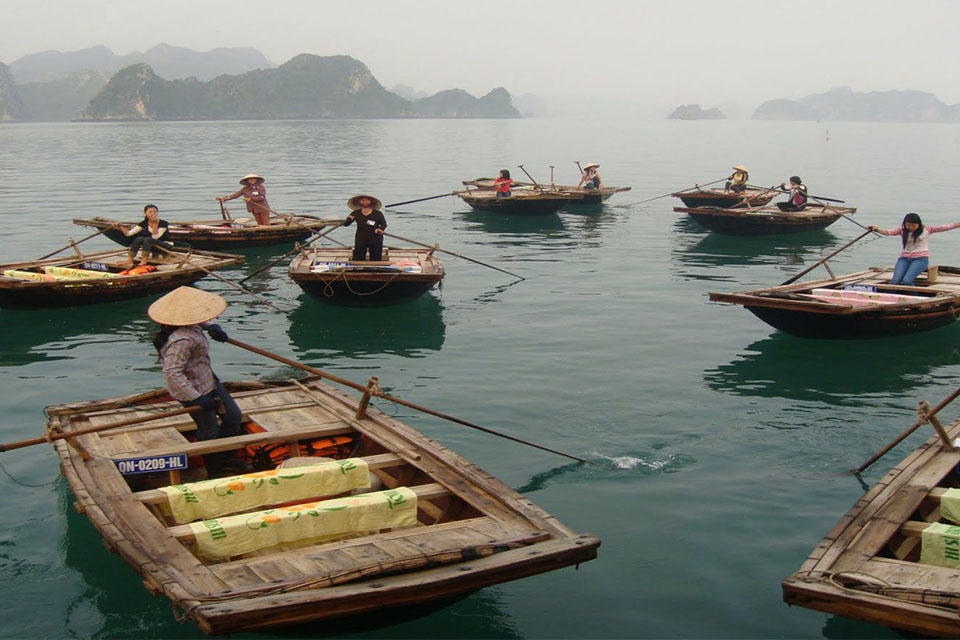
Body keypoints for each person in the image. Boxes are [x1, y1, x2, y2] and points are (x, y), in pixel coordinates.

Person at [149, 286, 251, 478]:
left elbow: (197, 321)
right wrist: (197, 399)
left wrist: (211, 326)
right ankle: (215, 470)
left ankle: (227, 458)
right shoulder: (182, 340)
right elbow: (172, 372)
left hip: (209, 381)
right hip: (193, 390)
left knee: (233, 417)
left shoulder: (189, 325)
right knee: (209, 430)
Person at [868, 213, 960, 285]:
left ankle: (914, 297)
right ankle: (892, 297)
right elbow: (888, 232)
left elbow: (946, 227)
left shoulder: (927, 229)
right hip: (904, 259)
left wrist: (958, 224)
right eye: (908, 225)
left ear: (918, 224)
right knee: (895, 281)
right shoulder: (902, 230)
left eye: (913, 225)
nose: (911, 227)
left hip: (920, 260)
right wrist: (876, 229)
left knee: (907, 280)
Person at [342, 194, 387, 261]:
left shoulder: (378, 214)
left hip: (375, 238)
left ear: (371, 202)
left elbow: (384, 224)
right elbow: (346, 224)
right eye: (362, 200)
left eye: (367, 200)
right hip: (361, 238)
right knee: (358, 258)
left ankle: (375, 270)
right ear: (359, 202)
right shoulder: (356, 213)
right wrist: (349, 219)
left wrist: (380, 229)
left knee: (376, 258)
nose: (364, 202)